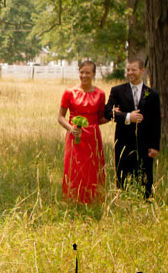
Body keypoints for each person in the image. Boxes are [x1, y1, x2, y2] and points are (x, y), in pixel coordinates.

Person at [104, 57, 161, 198]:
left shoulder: (152, 94)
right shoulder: (117, 91)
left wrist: (154, 146)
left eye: (133, 70)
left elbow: (156, 122)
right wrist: (128, 117)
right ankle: (122, 202)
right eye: (128, 70)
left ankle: (146, 203)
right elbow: (107, 113)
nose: (130, 73)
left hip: (145, 143)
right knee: (122, 175)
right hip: (123, 142)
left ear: (142, 71)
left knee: (145, 177)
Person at [57, 60, 108, 204]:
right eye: (81, 72)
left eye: (88, 72)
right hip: (74, 136)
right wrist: (70, 128)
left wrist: (113, 116)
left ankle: (93, 199)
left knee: (92, 168)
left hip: (93, 137)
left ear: (94, 74)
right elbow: (60, 117)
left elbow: (100, 119)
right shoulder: (69, 92)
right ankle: (72, 199)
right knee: (74, 167)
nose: (84, 75)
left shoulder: (100, 94)